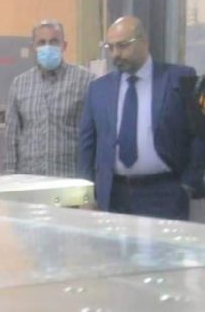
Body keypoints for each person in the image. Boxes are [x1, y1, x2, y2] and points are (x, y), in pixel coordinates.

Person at [79, 16, 205, 220]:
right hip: (113, 194)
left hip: (165, 192)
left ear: (144, 42)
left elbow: (200, 134)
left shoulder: (182, 78)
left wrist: (189, 182)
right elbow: (87, 145)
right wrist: (85, 194)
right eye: (110, 47)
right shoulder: (98, 89)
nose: (116, 54)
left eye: (123, 46)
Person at [5, 20, 94, 177]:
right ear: (33, 47)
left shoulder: (85, 81)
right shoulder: (19, 84)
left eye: (54, 42)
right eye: (42, 42)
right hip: (30, 179)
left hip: (69, 177)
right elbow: (12, 136)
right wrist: (10, 175)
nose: (48, 47)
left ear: (64, 45)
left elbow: (95, 133)